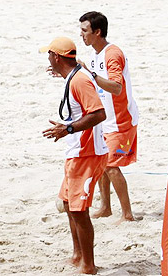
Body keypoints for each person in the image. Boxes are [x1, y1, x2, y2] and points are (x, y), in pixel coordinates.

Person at [42, 37, 107, 275]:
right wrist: (61, 72)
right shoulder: (73, 76)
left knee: (79, 209)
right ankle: (78, 255)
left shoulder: (79, 80)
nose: (47, 59)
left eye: (49, 55)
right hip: (76, 151)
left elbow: (99, 114)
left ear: (57, 57)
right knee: (69, 205)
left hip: (86, 153)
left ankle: (88, 265)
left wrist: (67, 128)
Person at [79, 12, 139, 222]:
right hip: (105, 120)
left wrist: (92, 75)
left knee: (112, 167)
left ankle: (128, 214)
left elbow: (116, 87)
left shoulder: (112, 54)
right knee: (102, 164)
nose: (81, 35)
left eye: (84, 31)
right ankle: (106, 207)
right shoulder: (95, 54)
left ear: (97, 32)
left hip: (121, 120)